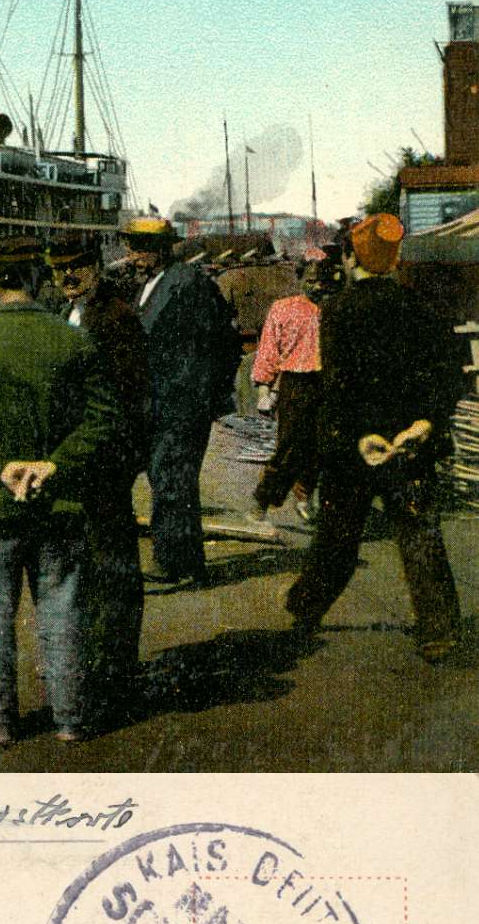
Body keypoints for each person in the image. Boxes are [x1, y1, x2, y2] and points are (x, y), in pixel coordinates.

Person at [0, 233, 119, 746]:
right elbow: (103, 419)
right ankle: (71, 717)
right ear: (40, 278)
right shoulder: (74, 340)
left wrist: (0, 468)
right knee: (63, 605)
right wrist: (52, 465)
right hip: (58, 500)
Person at [283, 213, 464, 664]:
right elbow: (447, 376)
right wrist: (424, 425)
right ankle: (438, 631)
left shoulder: (339, 310)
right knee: (420, 534)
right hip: (411, 446)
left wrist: (355, 437)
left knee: (337, 538)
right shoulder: (422, 306)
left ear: (351, 257)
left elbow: (339, 387)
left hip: (356, 448)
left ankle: (305, 611)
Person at [49, 238, 151, 717]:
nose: (68, 277)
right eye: (59, 270)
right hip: (69, 463)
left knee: (113, 566)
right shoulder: (59, 313)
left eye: (76, 268)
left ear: (95, 268)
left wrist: (120, 460)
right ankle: (84, 663)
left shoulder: (117, 317)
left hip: (106, 462)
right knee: (77, 565)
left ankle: (116, 672)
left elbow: (134, 396)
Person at [121, 215, 239, 590]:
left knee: (173, 480)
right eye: (132, 247)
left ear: (159, 250)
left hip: (180, 402)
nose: (133, 255)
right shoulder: (154, 284)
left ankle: (175, 561)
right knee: (170, 480)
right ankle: (186, 561)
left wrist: (193, 396)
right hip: (162, 401)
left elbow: (210, 345)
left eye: (140, 248)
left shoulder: (187, 284)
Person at [248, 248, 340, 528]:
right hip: (295, 385)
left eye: (323, 280)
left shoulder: (335, 308)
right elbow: (268, 351)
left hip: (328, 384)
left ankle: (304, 497)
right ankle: (261, 503)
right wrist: (264, 391)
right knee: (289, 448)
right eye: (311, 281)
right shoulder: (284, 308)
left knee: (321, 447)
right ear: (300, 279)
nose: (317, 286)